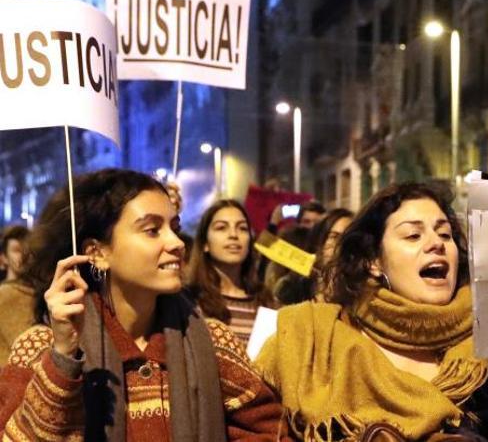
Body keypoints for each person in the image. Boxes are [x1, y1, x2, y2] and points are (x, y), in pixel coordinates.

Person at [0, 168, 288, 440]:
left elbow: (270, 432)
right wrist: (62, 361)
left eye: (174, 227)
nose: (176, 242)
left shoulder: (214, 341)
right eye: (152, 230)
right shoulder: (39, 348)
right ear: (96, 253)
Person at [256, 183, 488, 440]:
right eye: (413, 235)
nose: (436, 244)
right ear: (374, 261)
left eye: (445, 233)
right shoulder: (310, 335)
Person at [187, 199, 274, 344]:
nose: (234, 235)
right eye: (221, 228)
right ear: (205, 244)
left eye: (242, 228)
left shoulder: (267, 302)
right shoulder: (189, 301)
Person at [0, 225, 34, 364]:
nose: (23, 256)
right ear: (4, 258)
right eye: (17, 250)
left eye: (26, 250)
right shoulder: (3, 295)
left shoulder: (40, 293)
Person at [305, 207, 353, 300]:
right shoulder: (296, 286)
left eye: (348, 238)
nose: (341, 244)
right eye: (334, 237)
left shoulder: (360, 288)